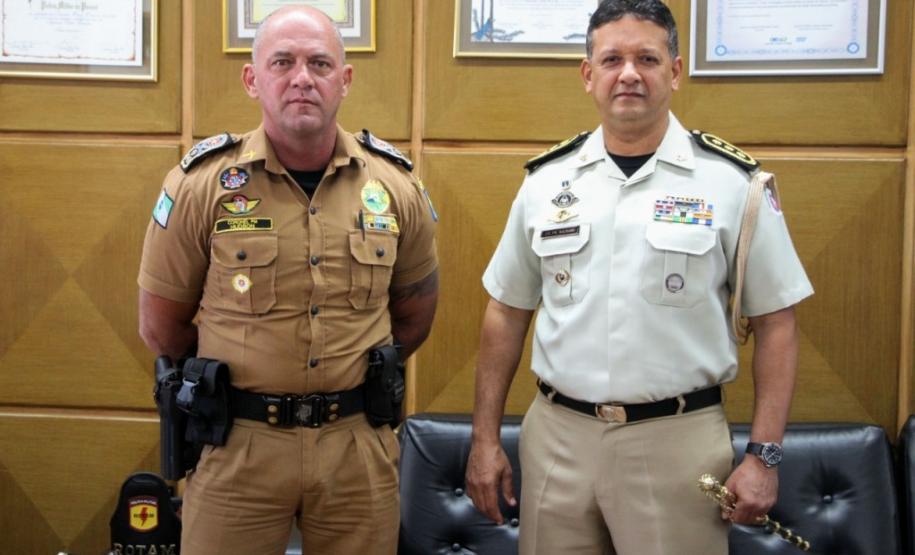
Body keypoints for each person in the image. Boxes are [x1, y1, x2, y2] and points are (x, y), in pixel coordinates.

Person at [464, 1, 813, 553]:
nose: (629, 73)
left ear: (674, 72)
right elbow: (506, 311)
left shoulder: (731, 184)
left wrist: (764, 456)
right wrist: (484, 439)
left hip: (678, 442)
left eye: (647, 58)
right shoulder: (545, 183)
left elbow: (777, 323)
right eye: (612, 59)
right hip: (557, 437)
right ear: (588, 75)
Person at [137, 6, 438, 554]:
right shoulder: (202, 185)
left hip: (356, 448)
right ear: (253, 79)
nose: (302, 78)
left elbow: (415, 312)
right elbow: (162, 326)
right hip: (239, 446)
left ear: (343, 80)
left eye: (320, 63)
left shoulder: (395, 186)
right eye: (283, 62)